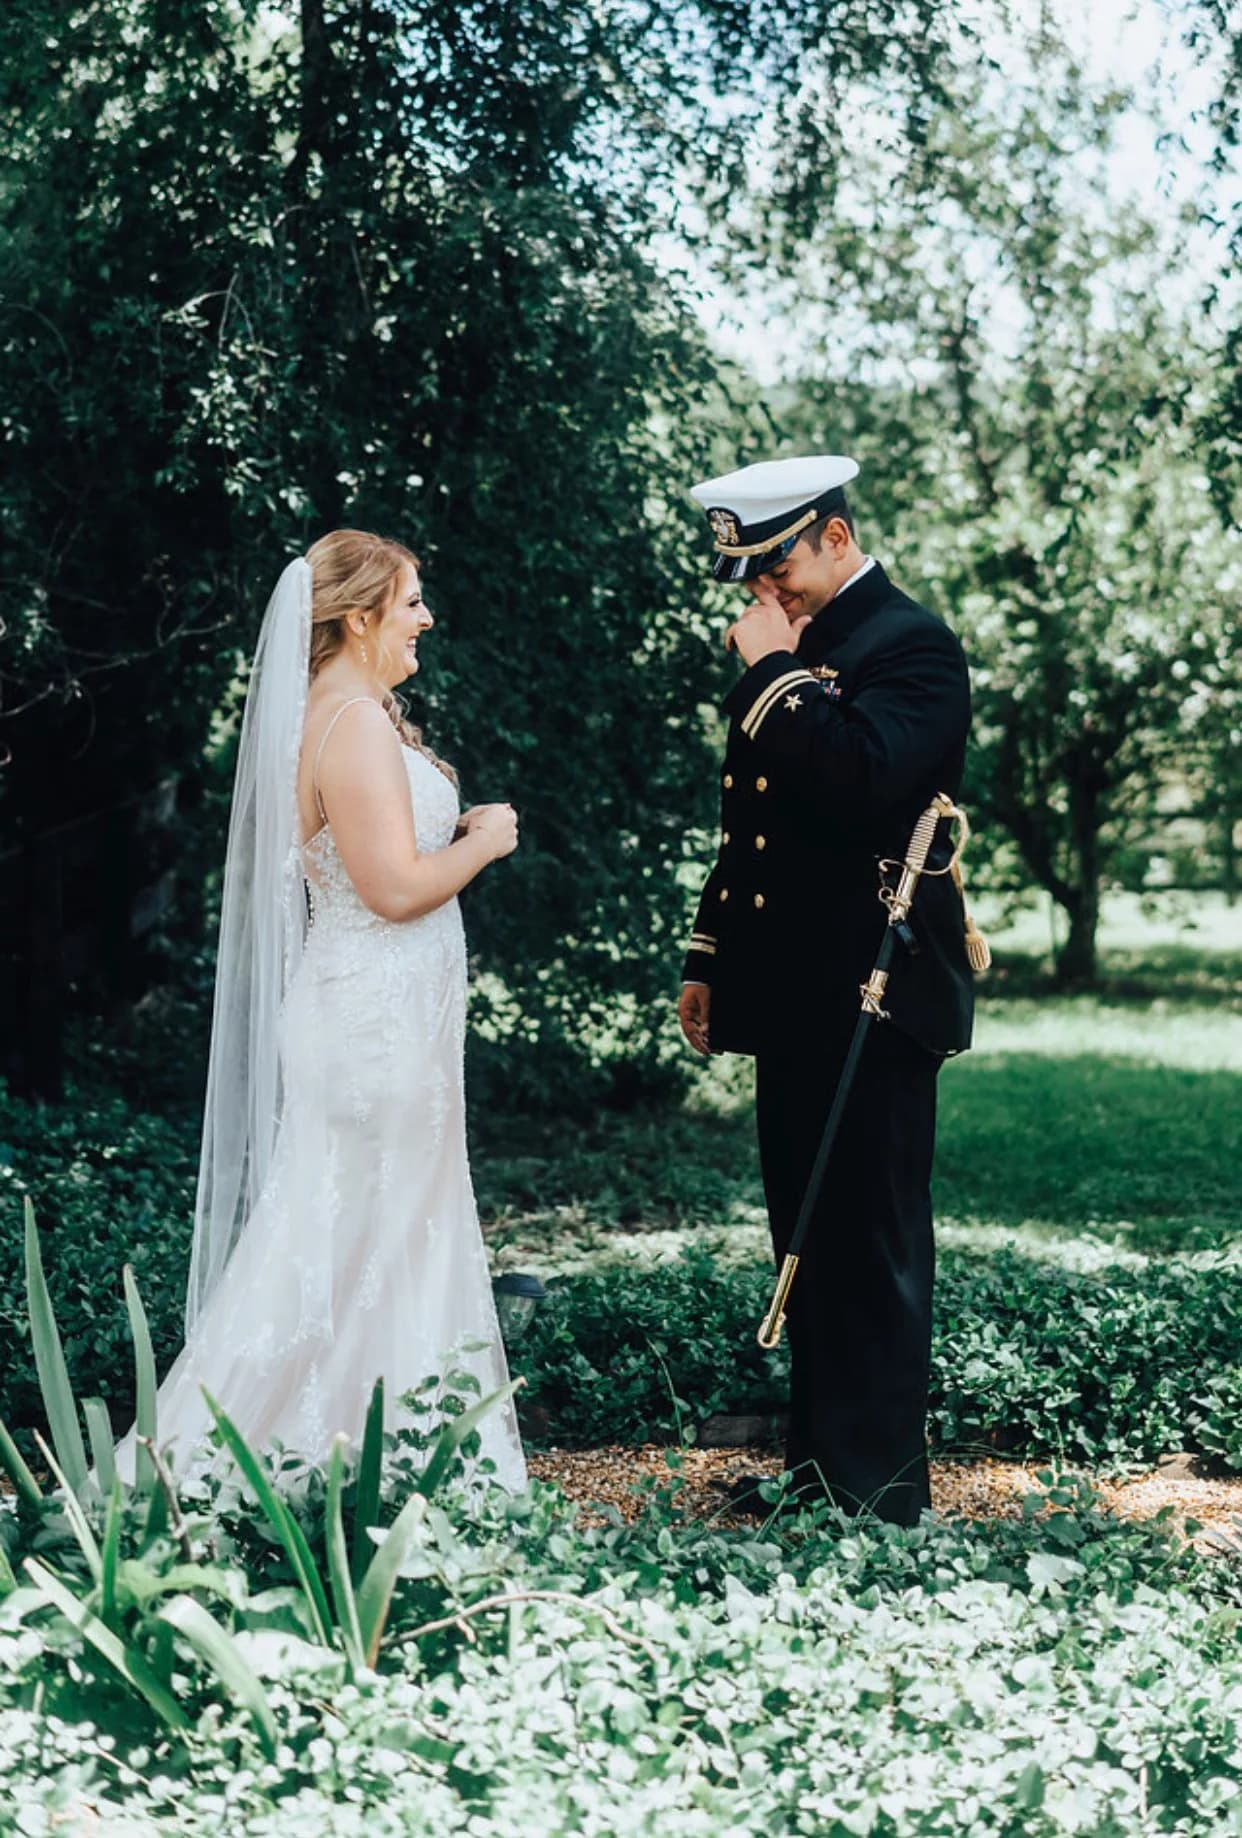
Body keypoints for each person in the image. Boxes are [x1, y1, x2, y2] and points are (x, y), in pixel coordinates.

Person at [116, 529, 526, 1490]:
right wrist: (488, 841)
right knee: (346, 1242)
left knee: (375, 1244)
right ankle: (222, 1471)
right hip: (370, 1029)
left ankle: (360, 1462)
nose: (426, 618)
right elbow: (389, 887)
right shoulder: (348, 721)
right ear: (358, 616)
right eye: (412, 601)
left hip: (382, 1023)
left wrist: (448, 834)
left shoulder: (346, 714)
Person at [678, 455, 979, 1527]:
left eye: (778, 567)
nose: (765, 595)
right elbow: (752, 824)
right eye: (751, 580)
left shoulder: (912, 645)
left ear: (836, 538)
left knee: (873, 1244)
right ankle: (821, 1479)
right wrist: (710, 953)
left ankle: (881, 1496)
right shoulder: (795, 650)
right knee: (806, 1237)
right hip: (796, 993)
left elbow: (864, 778)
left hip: (876, 996)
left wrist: (769, 674)